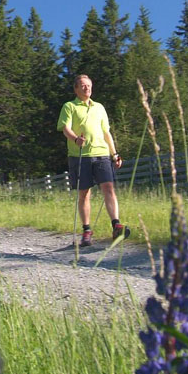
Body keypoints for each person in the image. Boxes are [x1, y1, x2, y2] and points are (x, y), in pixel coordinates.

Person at [57, 74, 129, 246]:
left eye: (89, 85)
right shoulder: (69, 106)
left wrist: (114, 153)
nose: (86, 88)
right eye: (82, 85)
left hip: (102, 153)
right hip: (80, 155)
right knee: (84, 193)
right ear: (76, 89)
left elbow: (106, 132)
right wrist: (75, 139)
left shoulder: (99, 107)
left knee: (108, 188)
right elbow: (65, 128)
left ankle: (116, 225)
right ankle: (87, 230)